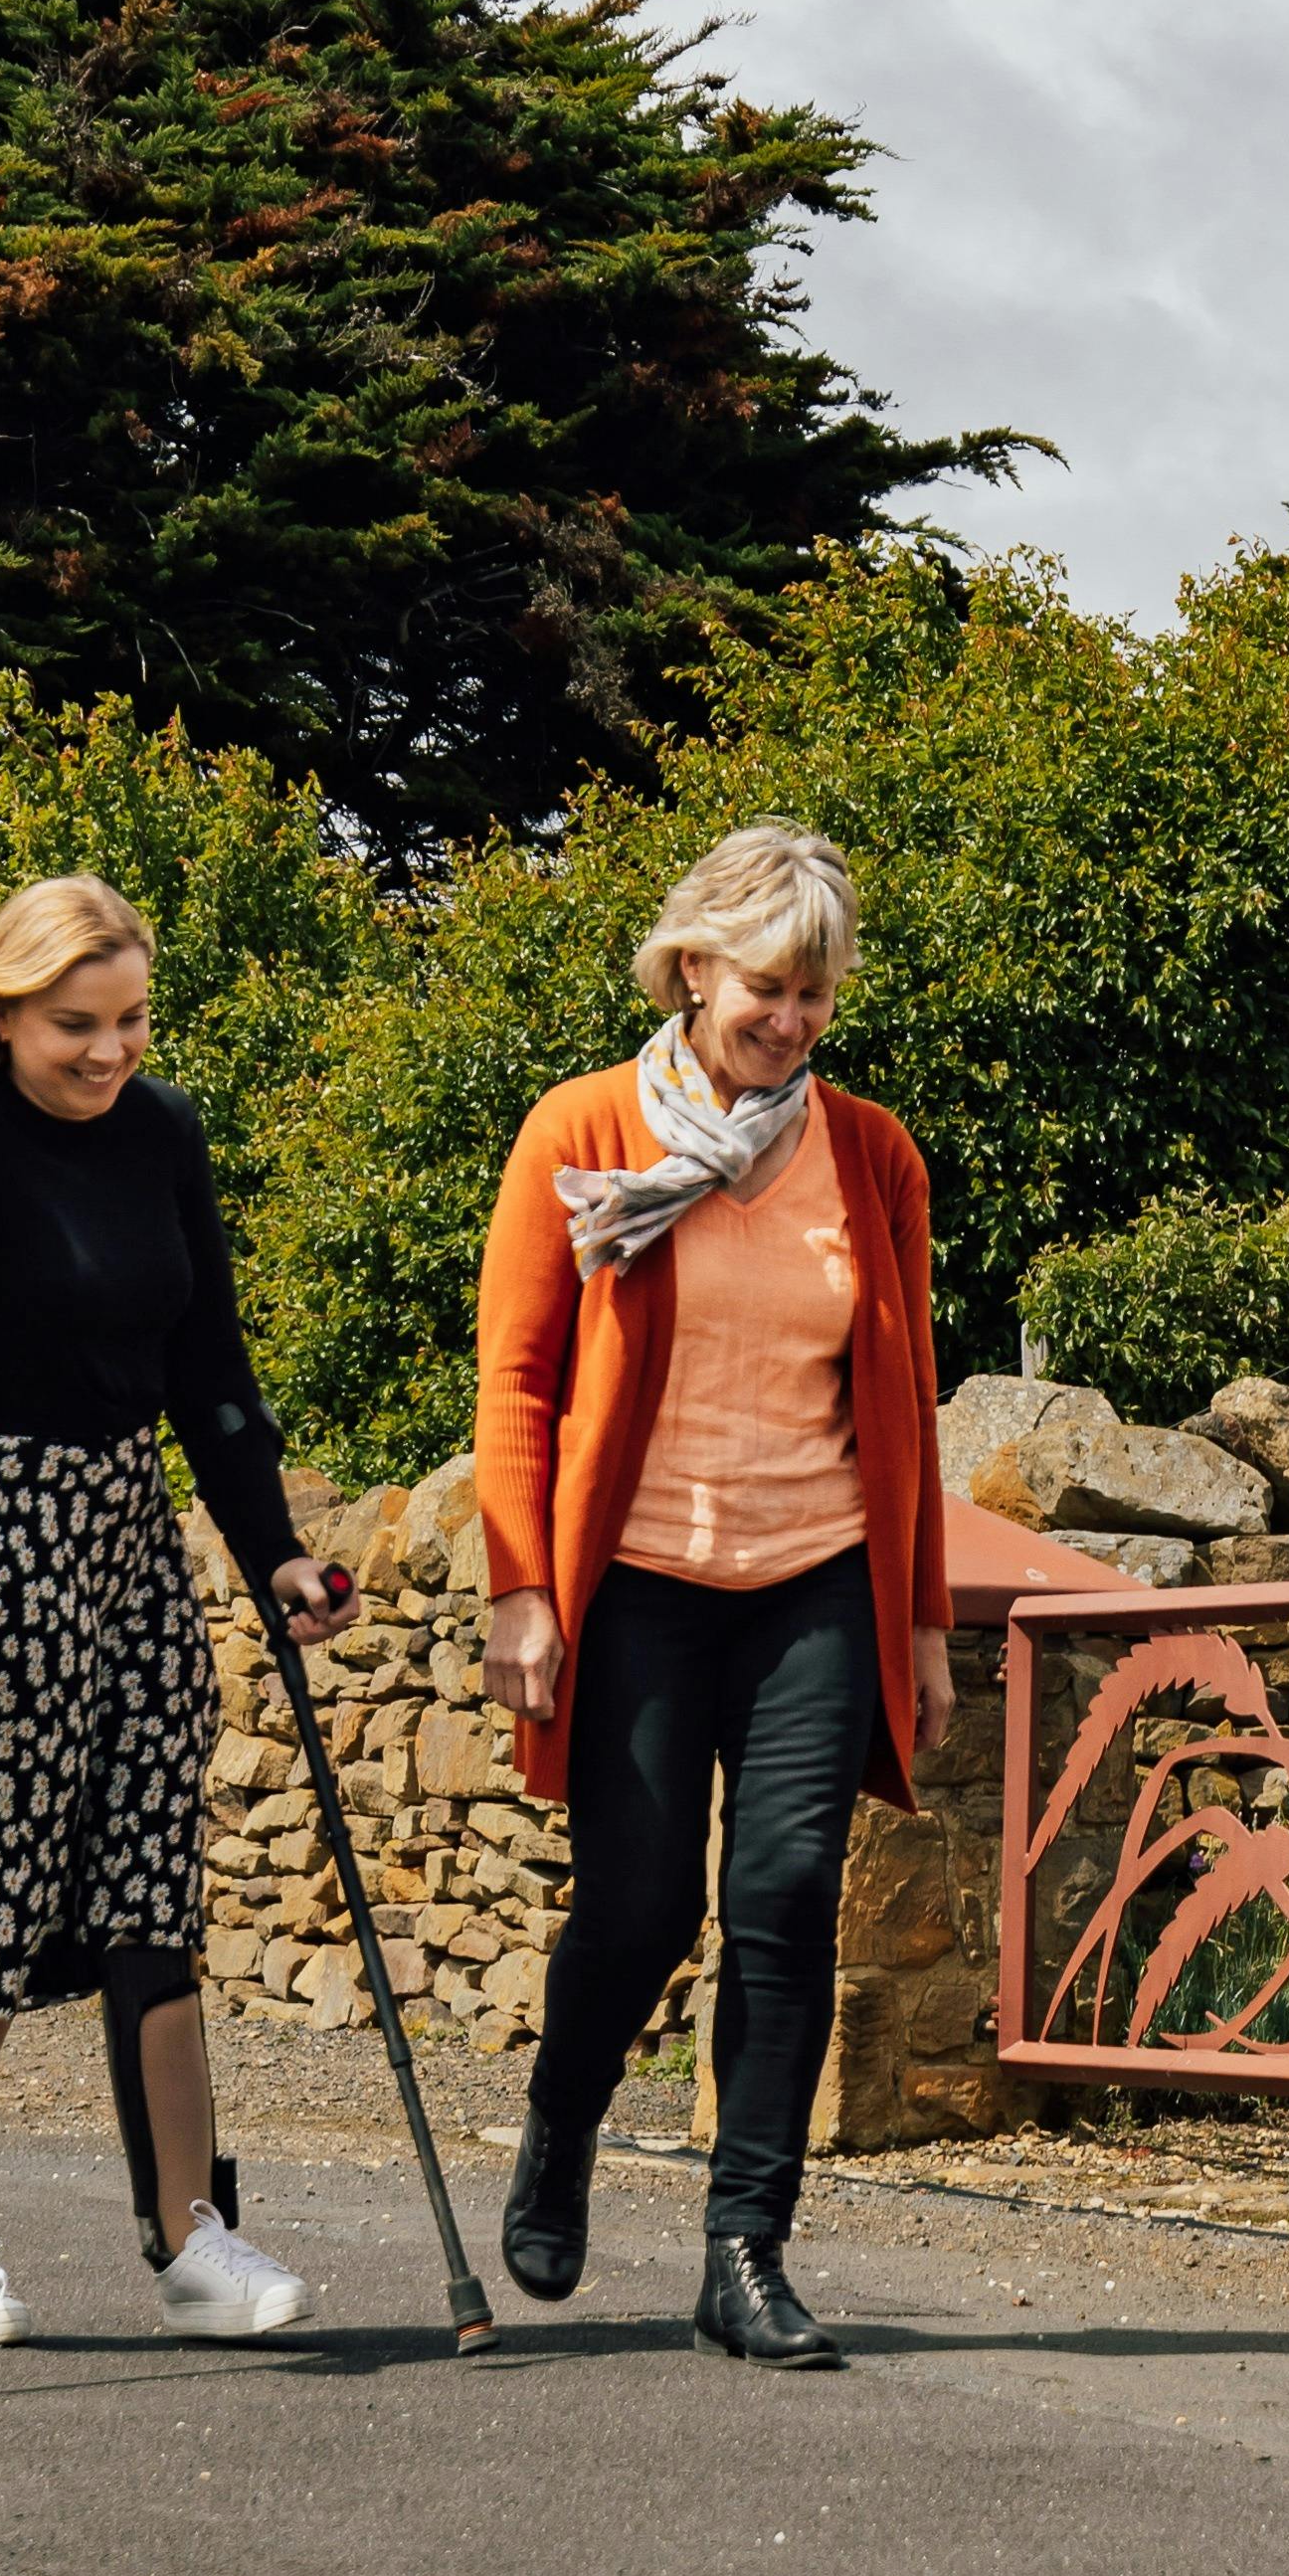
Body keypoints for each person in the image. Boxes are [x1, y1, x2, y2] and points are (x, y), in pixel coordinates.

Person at [0, 872, 349, 2353]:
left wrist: (276, 1553)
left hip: (125, 1537)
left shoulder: (162, 1133)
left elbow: (210, 1372)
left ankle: (190, 2239)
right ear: (5, 1008)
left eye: (129, 1022)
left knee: (145, 1883)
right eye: (73, 1026)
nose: (107, 1053)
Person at [472, 820, 948, 2371]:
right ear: (691, 967)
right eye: (768, 984)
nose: (793, 1019)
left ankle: (744, 2249)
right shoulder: (584, 1134)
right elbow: (520, 1383)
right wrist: (522, 1591)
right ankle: (561, 2124)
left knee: (788, 1892)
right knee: (638, 1901)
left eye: (817, 994)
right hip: (641, 1586)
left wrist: (922, 1619)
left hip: (813, 1576)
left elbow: (905, 1397)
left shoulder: (870, 1156)